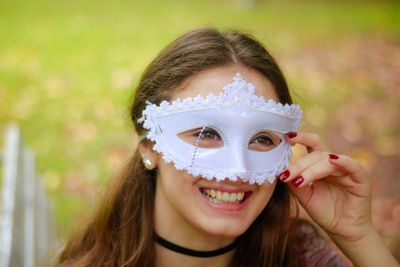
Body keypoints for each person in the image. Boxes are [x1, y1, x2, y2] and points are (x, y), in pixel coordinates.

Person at [57, 28, 399, 267]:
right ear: (150, 146)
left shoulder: (300, 256)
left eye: (263, 139)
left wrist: (358, 238)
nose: (239, 170)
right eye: (206, 133)